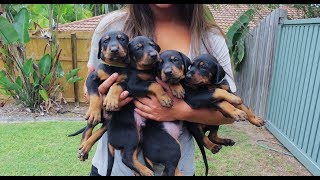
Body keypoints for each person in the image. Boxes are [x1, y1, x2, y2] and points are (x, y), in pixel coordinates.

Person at [84, 4, 237, 176]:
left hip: (177, 166)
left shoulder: (210, 37)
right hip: (115, 169)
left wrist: (180, 111)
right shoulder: (112, 25)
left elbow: (231, 114)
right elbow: (90, 91)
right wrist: (106, 100)